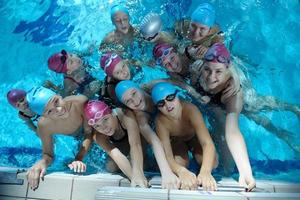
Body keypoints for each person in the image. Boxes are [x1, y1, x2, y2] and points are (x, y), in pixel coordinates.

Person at [189, 43, 256, 191]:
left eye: (218, 71)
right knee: (217, 120)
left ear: (227, 70)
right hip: (209, 100)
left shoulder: (234, 92)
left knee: (254, 109)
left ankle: (290, 107)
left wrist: (245, 172)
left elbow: (232, 131)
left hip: (224, 97)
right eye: (207, 70)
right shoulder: (197, 68)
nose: (211, 77)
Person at [150, 82, 217, 191]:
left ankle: (198, 165)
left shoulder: (190, 110)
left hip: (194, 137)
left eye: (170, 98)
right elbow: (167, 155)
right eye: (161, 103)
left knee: (212, 163)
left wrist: (205, 172)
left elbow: (207, 143)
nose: (168, 105)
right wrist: (181, 171)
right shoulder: (160, 122)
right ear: (157, 107)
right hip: (177, 141)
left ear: (177, 95)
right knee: (179, 164)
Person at [115, 80, 180, 189]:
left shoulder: (150, 86)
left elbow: (177, 83)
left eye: (134, 93)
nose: (135, 102)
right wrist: (166, 172)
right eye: (128, 101)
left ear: (139, 87)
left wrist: (194, 93)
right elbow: (154, 141)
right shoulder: (141, 117)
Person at [25, 86, 93, 190]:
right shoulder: (44, 126)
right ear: (44, 116)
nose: (59, 110)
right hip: (76, 136)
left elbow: (89, 132)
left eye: (56, 101)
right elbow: (48, 154)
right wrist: (42, 162)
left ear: (59, 95)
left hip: (89, 129)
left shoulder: (79, 102)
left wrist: (78, 159)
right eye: (50, 111)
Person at [84, 100, 148, 187]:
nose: (104, 128)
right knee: (111, 167)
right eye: (97, 126)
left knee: (143, 167)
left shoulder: (125, 115)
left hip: (138, 140)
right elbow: (116, 155)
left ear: (112, 112)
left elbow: (135, 144)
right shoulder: (99, 136)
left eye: (105, 120)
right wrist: (134, 179)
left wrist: (138, 173)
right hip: (120, 145)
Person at [99, 52, 169, 106]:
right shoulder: (113, 89)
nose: (125, 72)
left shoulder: (128, 62)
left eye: (123, 66)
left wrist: (148, 63)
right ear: (112, 76)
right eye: (118, 72)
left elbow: (140, 62)